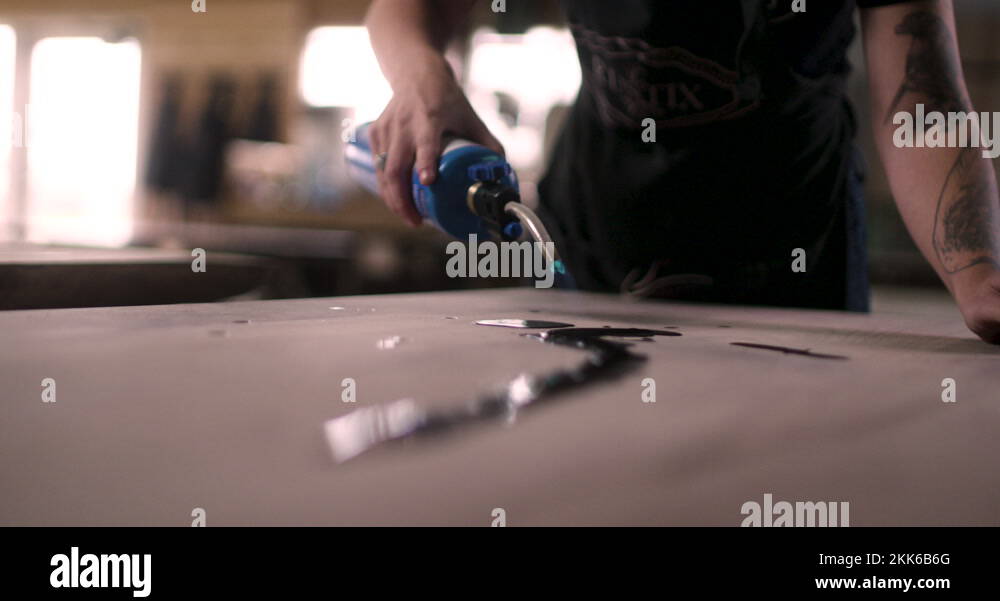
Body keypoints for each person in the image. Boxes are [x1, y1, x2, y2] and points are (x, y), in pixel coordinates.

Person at [364, 0, 1000, 344]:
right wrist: (421, 74)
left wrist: (980, 276)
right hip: (597, 232)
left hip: (790, 242)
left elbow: (923, 100)